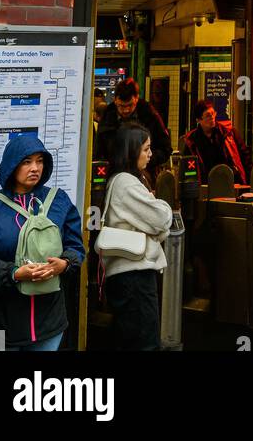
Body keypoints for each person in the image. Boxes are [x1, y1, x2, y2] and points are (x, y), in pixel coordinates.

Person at [0, 133, 84, 352]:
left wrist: (64, 264)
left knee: (37, 385)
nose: (35, 168)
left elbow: (75, 246)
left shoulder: (58, 201)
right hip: (0, 322)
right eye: (27, 161)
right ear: (12, 165)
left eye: (40, 161)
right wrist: (15, 273)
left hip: (47, 321)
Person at [100, 123, 174, 351]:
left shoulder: (124, 180)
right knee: (145, 342)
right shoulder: (126, 182)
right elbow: (162, 220)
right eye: (146, 149)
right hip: (134, 275)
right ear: (131, 151)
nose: (151, 154)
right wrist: (162, 206)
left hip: (129, 275)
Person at [95, 77, 172, 169]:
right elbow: (98, 152)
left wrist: (144, 160)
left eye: (130, 105)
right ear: (115, 100)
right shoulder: (107, 117)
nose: (126, 110)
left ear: (137, 98)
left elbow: (165, 149)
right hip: (113, 171)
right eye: (121, 106)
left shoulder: (150, 115)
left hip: (145, 171)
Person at [182, 99, 252, 184]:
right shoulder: (192, 141)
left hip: (231, 182)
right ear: (199, 120)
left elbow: (245, 157)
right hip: (206, 185)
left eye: (213, 113)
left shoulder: (228, 133)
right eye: (208, 115)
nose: (212, 117)